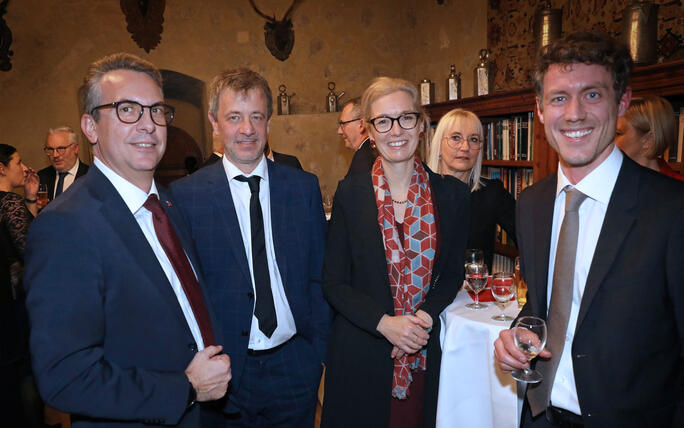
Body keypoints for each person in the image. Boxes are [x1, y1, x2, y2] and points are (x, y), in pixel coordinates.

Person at [25, 52, 231, 428]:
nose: (148, 124)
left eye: (156, 111)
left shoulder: (168, 204)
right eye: (126, 110)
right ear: (90, 127)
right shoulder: (66, 226)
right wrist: (184, 388)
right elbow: (64, 377)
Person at [493, 32, 684, 428]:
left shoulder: (671, 210)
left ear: (622, 103)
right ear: (540, 110)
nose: (574, 113)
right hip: (539, 417)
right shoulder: (531, 204)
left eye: (592, 95)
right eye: (559, 98)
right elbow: (542, 308)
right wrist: (517, 337)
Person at [170, 67, 329, 427]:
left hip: (295, 366)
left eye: (257, 117)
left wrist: (317, 353)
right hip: (226, 373)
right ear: (214, 123)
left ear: (269, 122)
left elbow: (319, 274)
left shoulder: (302, 187)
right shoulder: (186, 196)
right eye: (234, 117)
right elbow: (184, 292)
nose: (247, 129)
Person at [321, 77, 470, 428]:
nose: (395, 130)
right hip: (363, 352)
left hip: (425, 351)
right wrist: (386, 324)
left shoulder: (452, 196)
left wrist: (421, 322)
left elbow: (451, 274)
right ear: (370, 132)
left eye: (406, 118)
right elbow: (333, 282)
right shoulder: (350, 194)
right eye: (383, 121)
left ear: (421, 125)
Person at [427, 108, 516, 270]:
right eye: (456, 138)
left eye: (474, 140)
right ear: (438, 146)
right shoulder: (418, 190)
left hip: (474, 292)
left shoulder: (492, 192)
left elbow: (530, 239)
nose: (465, 147)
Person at [0, 143, 41, 427]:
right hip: (14, 303)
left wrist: (29, 199)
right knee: (24, 370)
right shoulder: (9, 203)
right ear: (2, 168)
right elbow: (33, 249)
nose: (24, 168)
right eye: (18, 162)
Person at [615, 95, 684, 181]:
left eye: (617, 133)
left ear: (649, 140)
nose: (608, 141)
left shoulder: (678, 189)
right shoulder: (606, 182)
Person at [37, 126, 89, 204]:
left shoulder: (91, 175)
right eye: (50, 149)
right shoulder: (41, 177)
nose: (55, 155)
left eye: (61, 149)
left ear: (75, 148)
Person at [339, 97, 377, 176]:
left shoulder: (364, 159)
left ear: (361, 125)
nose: (339, 131)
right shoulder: (369, 152)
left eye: (343, 124)